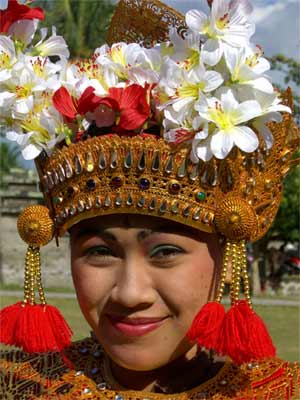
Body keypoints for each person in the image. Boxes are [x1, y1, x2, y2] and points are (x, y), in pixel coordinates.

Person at [0, 0, 299, 398]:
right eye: (99, 252)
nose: (130, 293)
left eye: (165, 252)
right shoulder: (24, 385)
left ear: (228, 257)